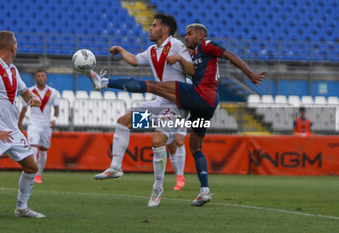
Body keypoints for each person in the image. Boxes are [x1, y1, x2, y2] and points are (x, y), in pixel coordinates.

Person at [88, 23, 264, 206]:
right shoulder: (192, 54)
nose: (186, 37)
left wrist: (249, 73)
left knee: (152, 86)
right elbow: (135, 61)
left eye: (190, 34)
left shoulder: (205, 45)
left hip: (196, 97)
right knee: (194, 147)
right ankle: (204, 191)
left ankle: (104, 82)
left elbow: (227, 55)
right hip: (201, 107)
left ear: (200, 35)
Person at [89, 13, 194, 207]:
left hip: (177, 106)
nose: (150, 28)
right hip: (159, 103)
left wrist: (179, 58)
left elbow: (192, 71)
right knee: (123, 121)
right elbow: (135, 60)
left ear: (165, 30)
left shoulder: (177, 45)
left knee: (157, 141)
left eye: (154, 25)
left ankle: (158, 188)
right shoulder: (152, 50)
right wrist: (121, 50)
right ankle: (115, 167)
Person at [0, 31, 45, 218]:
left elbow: (24, 92)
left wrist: (33, 98)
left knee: (31, 167)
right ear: (13, 47)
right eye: (17, 45)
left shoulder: (12, 69)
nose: (17, 48)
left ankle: (21, 208)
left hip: (11, 129)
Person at [18, 69, 59, 183]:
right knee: (33, 148)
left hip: (46, 125)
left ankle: (39, 174)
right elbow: (24, 109)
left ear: (46, 78)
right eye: (38, 76)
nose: (41, 77)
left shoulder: (53, 92)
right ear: (35, 78)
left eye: (43, 75)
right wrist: (19, 124)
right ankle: (32, 173)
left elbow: (56, 109)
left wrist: (54, 119)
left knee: (43, 151)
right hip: (33, 124)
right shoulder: (30, 91)